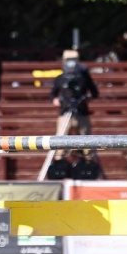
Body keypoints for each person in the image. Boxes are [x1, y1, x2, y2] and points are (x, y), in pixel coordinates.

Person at [48, 50, 100, 178]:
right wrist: (57, 100)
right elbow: (52, 95)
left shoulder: (84, 77)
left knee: (86, 140)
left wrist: (85, 98)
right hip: (65, 113)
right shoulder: (60, 78)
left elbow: (95, 93)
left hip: (81, 112)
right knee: (60, 140)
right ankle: (58, 163)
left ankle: (89, 164)